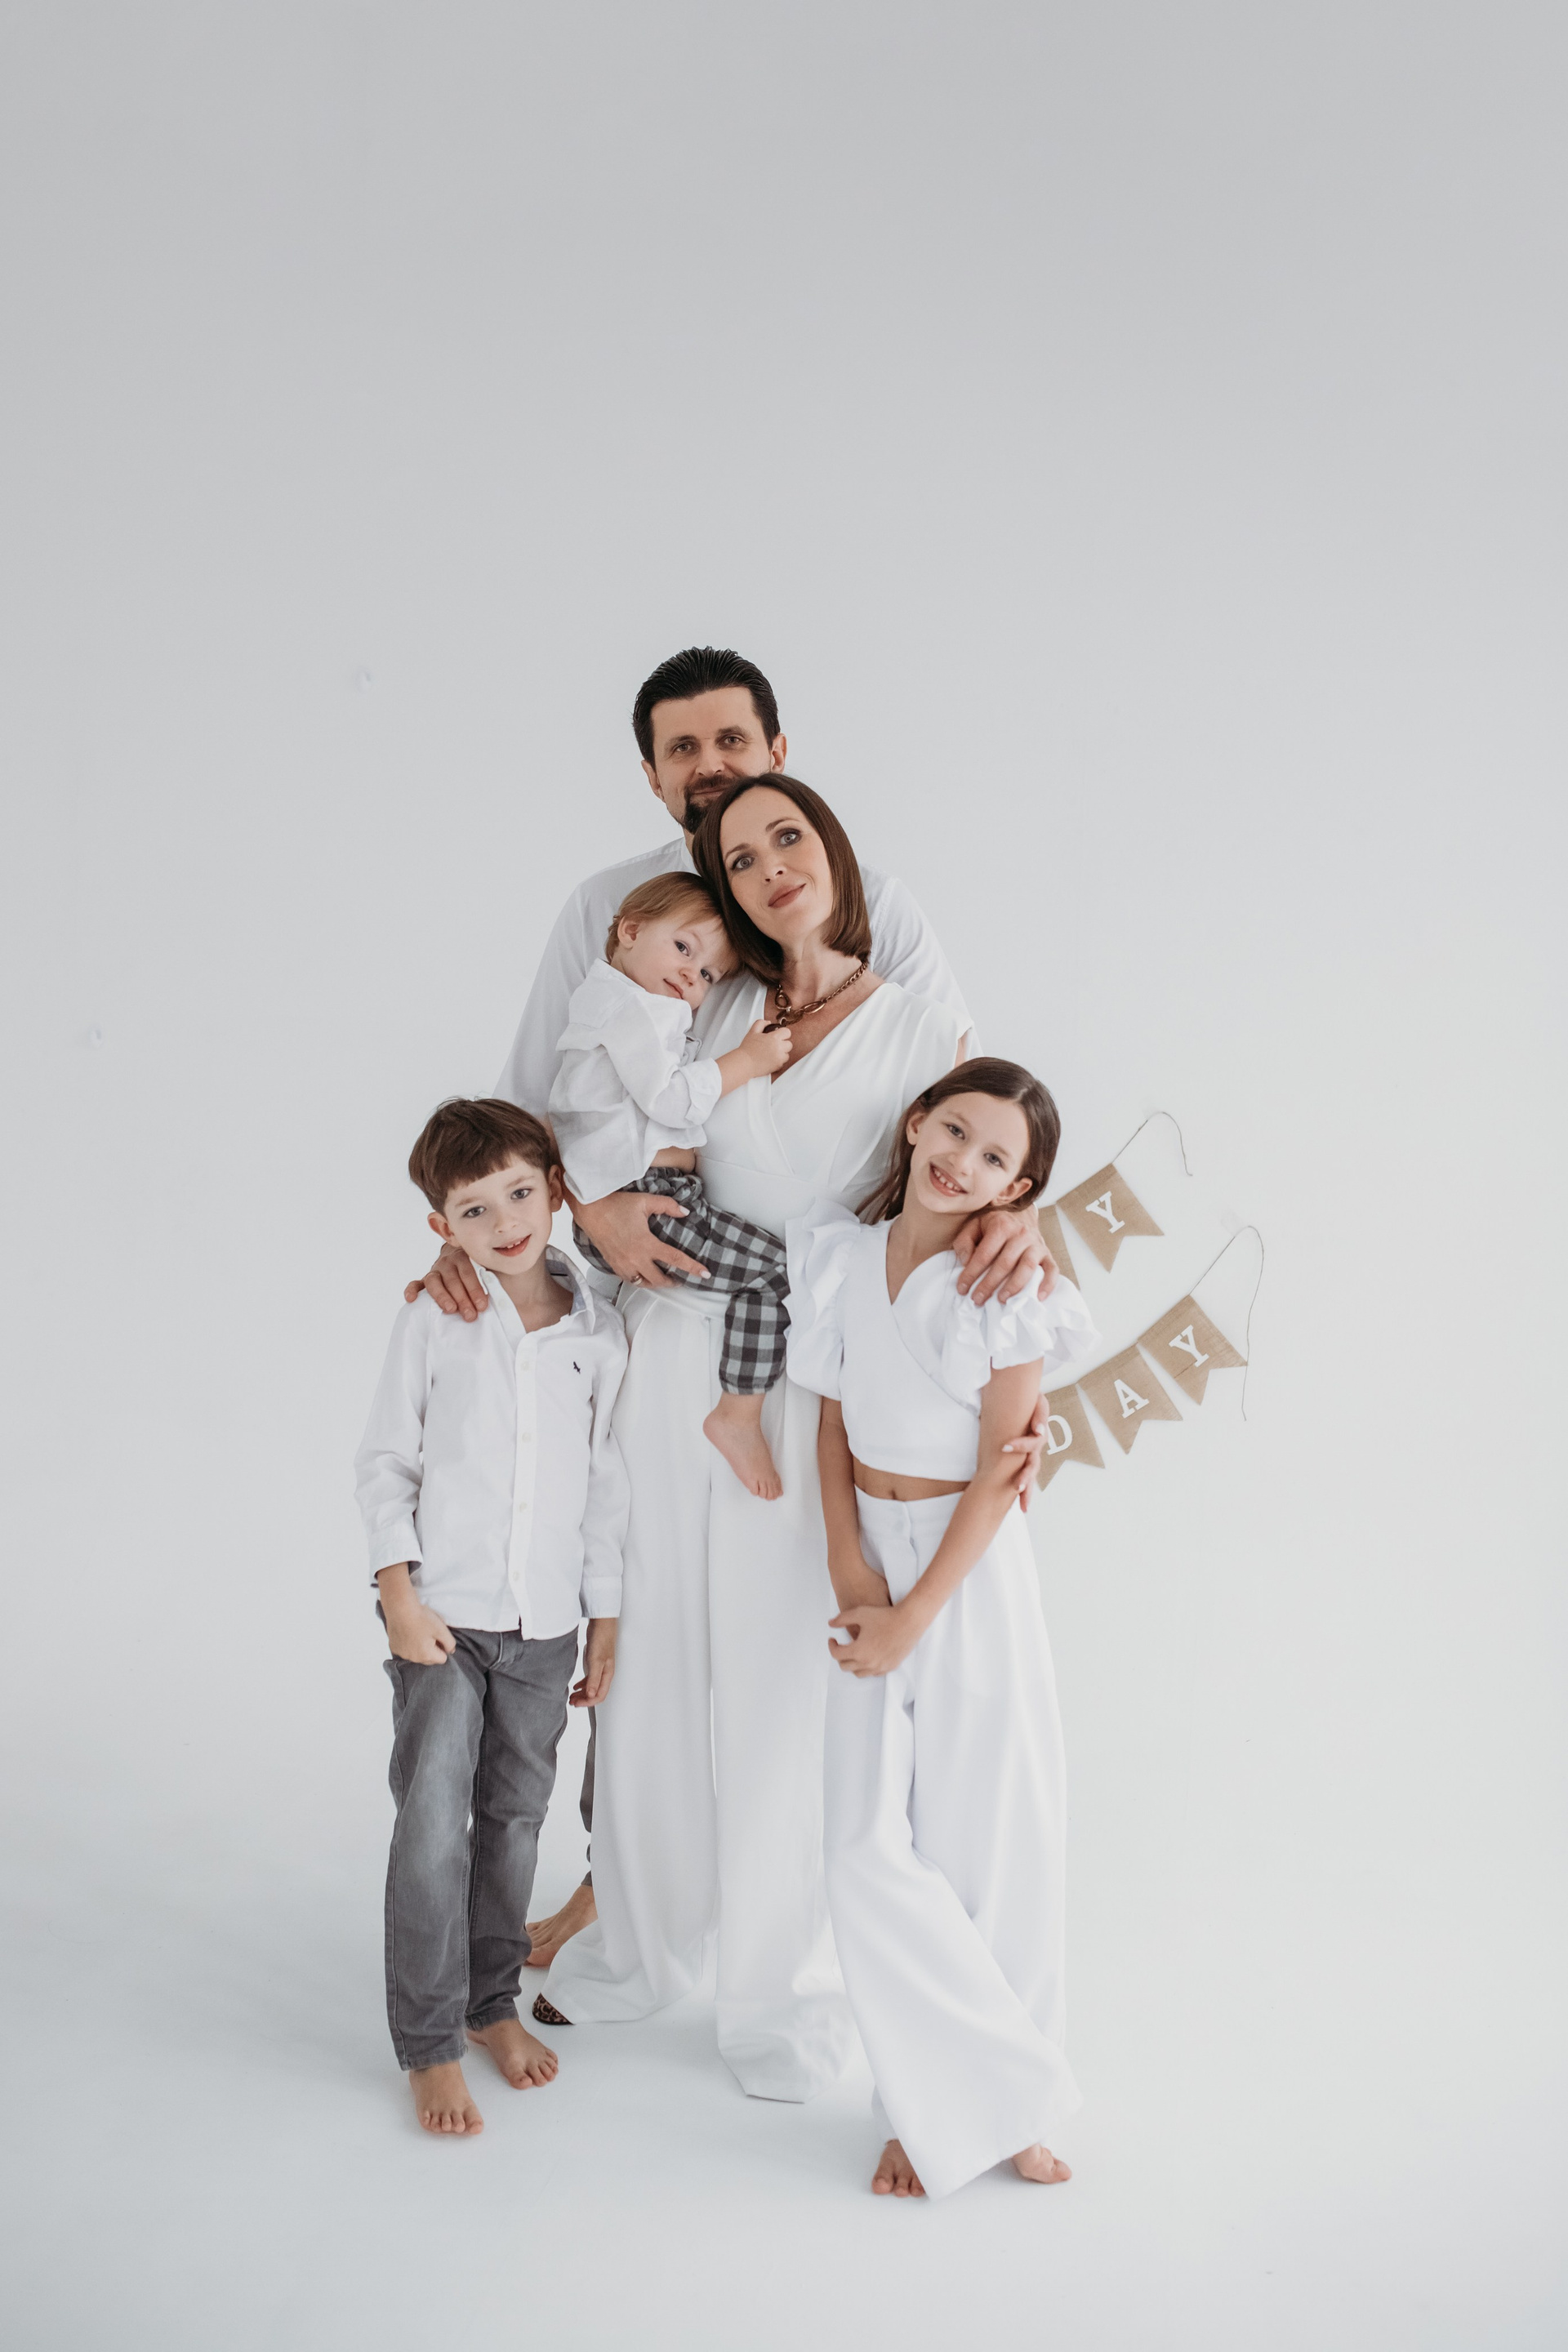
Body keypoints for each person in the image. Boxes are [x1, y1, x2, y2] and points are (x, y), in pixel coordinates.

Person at [411, 646, 1054, 1979]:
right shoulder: (633, 933)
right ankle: (631, 1903)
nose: (712, 772)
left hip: (810, 1344)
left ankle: (792, 1942)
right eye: (683, 752)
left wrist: (1018, 1216)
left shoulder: (870, 925)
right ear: (653, 775)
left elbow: (969, 1110)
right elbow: (532, 1104)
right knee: (641, 1634)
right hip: (651, 1317)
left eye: (734, 746)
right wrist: (573, 1219)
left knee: (776, 1655)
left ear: (781, 755)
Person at [539, 777, 1058, 2101]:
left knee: (780, 1683)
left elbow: (987, 1159)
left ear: (832, 850)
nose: (769, 864)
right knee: (653, 1661)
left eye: (789, 836)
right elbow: (592, 1119)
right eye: (738, 854)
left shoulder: (921, 1025)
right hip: (668, 1349)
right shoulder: (704, 999)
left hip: (800, 1378)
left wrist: (1022, 1231)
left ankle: (782, 1994)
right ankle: (642, 1947)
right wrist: (592, 1209)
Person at [786, 1060, 1098, 2198]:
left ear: (1018, 1190)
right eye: (955, 1130)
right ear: (917, 1123)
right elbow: (829, 1421)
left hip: (969, 1572)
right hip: (871, 1553)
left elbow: (1005, 1465)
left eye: (995, 1157)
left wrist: (918, 1613)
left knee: (994, 1838)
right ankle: (966, 2092)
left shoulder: (1003, 1288)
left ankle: (972, 2115)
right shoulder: (841, 1258)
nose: (963, 1161)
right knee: (863, 1848)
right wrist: (849, 1564)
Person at [355, 1099, 628, 2135]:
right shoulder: (436, 1317)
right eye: (475, 1209)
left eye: (521, 1193)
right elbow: (387, 1460)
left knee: (514, 1823)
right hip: (442, 1620)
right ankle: (428, 2042)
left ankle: (489, 2005)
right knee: (433, 1825)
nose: (505, 1222)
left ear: (557, 1188)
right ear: (442, 1227)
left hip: (545, 1626)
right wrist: (397, 1593)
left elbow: (606, 1488)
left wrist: (603, 1618)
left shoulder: (600, 1331)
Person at [550, 869, 796, 1499]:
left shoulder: (614, 1004)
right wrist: (745, 1061)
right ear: (630, 932)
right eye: (684, 948)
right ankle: (737, 1415)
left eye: (709, 973)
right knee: (778, 1273)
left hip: (640, 1198)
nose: (692, 976)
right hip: (651, 1203)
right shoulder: (632, 1008)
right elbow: (666, 1099)